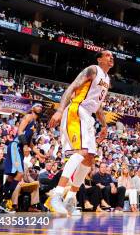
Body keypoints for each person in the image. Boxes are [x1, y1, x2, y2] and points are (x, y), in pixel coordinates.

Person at [46, 51, 114, 216]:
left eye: (112, 56)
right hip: (76, 110)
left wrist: (104, 126)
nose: (111, 57)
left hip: (88, 116)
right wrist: (60, 109)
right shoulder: (93, 69)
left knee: (89, 158)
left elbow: (97, 106)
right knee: (81, 152)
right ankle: (56, 194)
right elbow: (72, 87)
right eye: (107, 55)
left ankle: (70, 198)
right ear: (99, 59)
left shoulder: (107, 79)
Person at [0, 102, 45, 213]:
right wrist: (24, 145)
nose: (39, 107)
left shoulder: (36, 123)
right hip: (16, 145)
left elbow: (30, 143)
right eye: (37, 105)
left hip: (20, 148)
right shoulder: (28, 116)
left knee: (11, 177)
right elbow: (20, 131)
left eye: (41, 106)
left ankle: (1, 203)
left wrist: (39, 154)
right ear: (33, 108)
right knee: (20, 173)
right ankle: (6, 202)